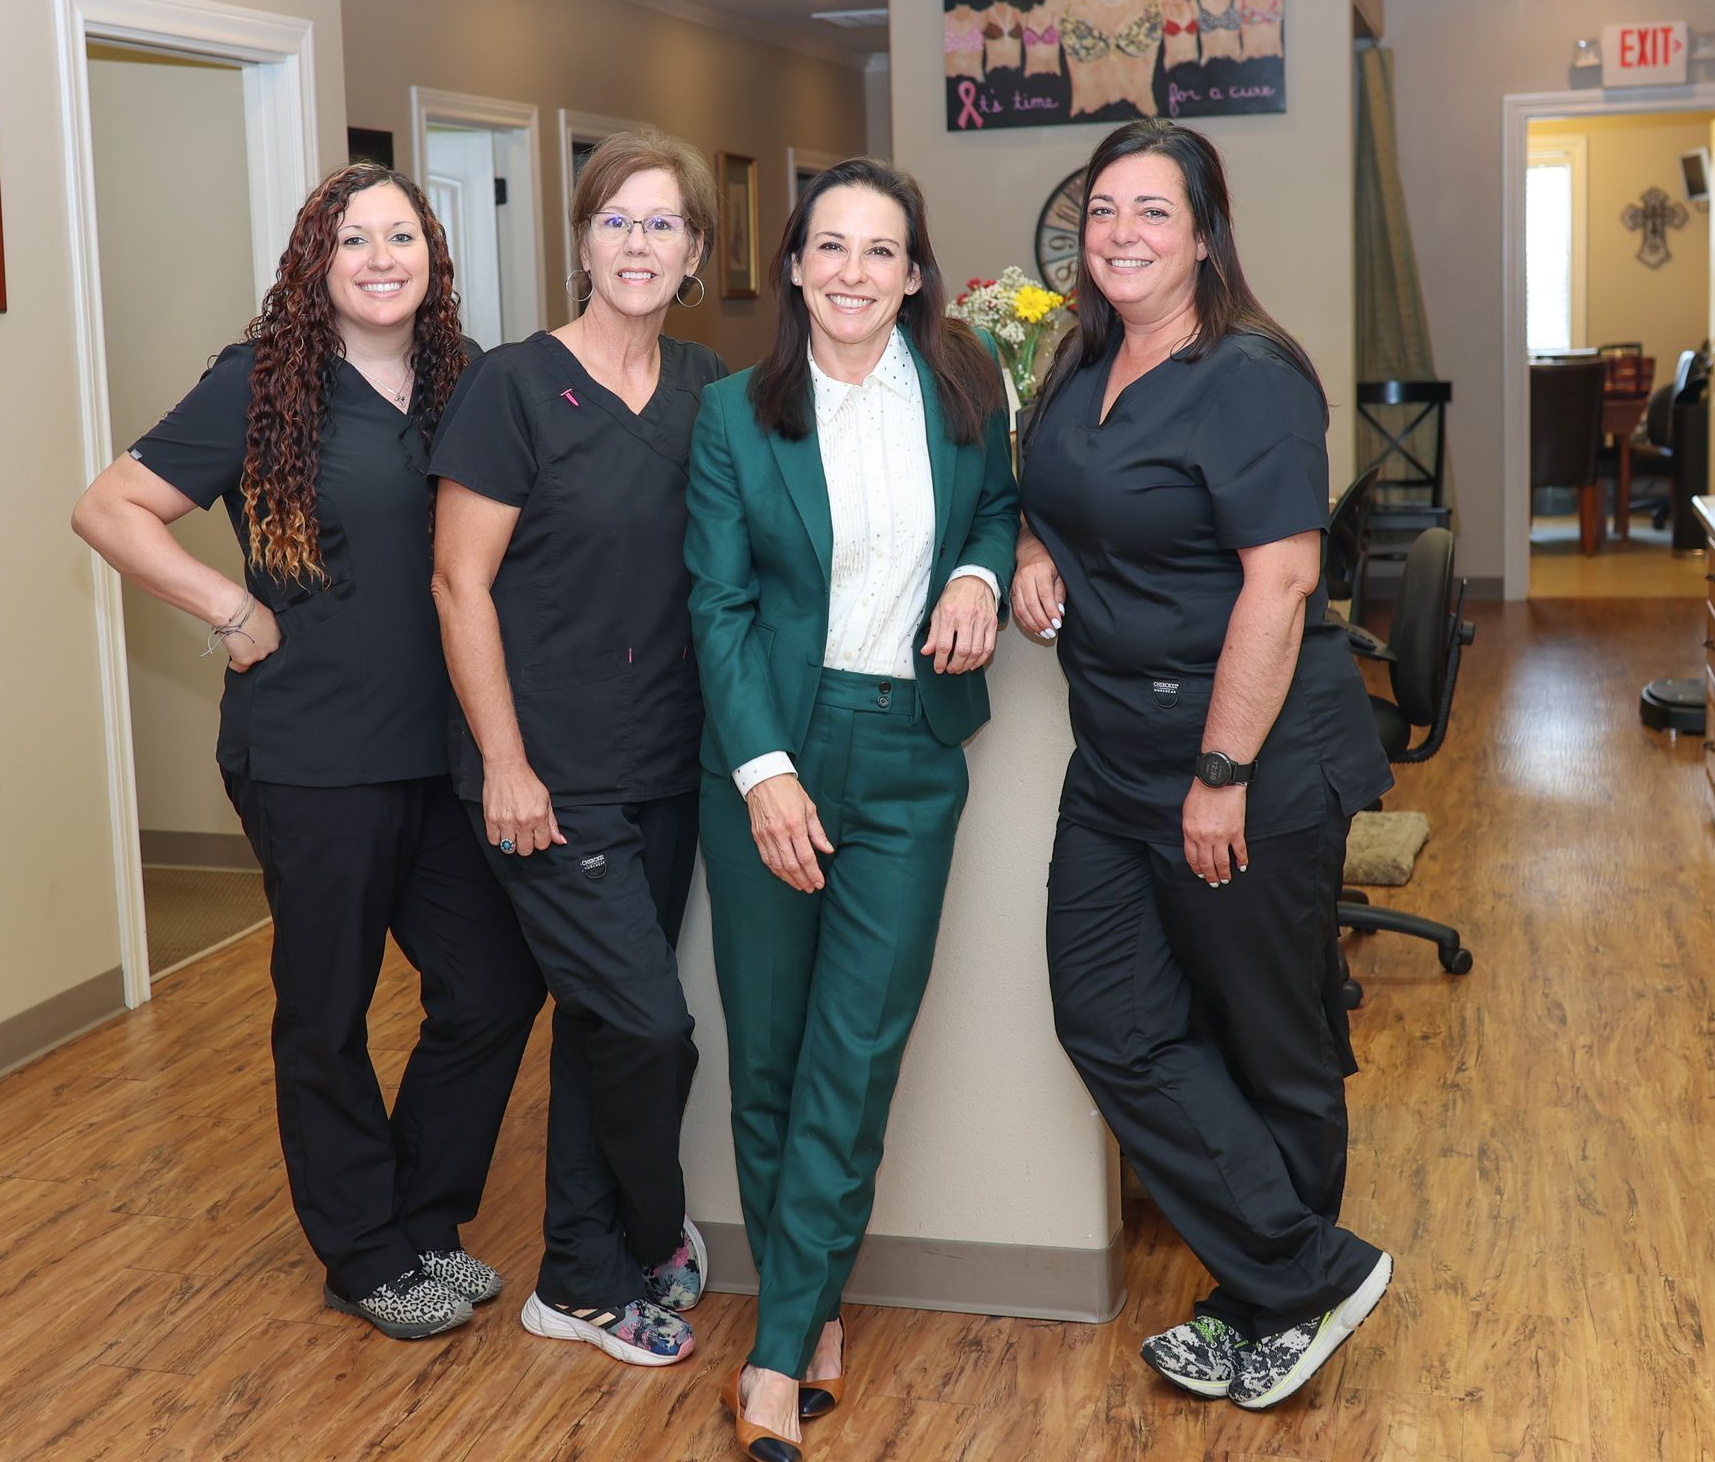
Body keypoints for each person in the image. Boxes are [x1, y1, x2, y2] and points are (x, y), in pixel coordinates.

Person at [71, 162, 547, 1340]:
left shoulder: (466, 379)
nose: (382, 257)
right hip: (313, 752)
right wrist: (228, 611)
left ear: (434, 253)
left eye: (402, 235)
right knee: (325, 1011)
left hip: (445, 750)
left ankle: (422, 1219)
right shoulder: (263, 381)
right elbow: (108, 507)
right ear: (315, 263)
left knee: (492, 985)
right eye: (354, 240)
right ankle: (364, 1253)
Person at [1013, 118, 1395, 1411]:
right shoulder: (1083, 359)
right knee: (1109, 1019)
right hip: (1113, 759)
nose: (1120, 234)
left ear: (1203, 233)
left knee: (1269, 1035)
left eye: (1152, 212)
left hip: (1252, 761)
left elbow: (1282, 582)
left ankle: (1266, 1300)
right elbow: (1059, 493)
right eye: (1103, 210)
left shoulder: (1248, 376)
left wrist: (1222, 770)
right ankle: (1305, 1273)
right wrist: (1029, 552)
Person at [686, 158, 1019, 1461]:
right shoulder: (732, 416)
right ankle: (808, 1315)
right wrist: (765, 774)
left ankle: (774, 1360)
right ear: (794, 265)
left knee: (855, 1057)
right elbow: (713, 607)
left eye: (881, 252)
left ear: (916, 273)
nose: (853, 274)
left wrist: (985, 572)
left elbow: (995, 506)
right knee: (768, 1056)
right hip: (773, 752)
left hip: (908, 753)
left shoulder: (965, 390)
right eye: (831, 247)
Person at [428, 130, 726, 1368]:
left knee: (609, 1023)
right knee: (654, 1028)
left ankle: (580, 1269)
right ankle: (639, 1235)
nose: (639, 244)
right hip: (548, 777)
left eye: (663, 224)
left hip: (670, 765)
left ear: (698, 252)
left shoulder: (711, 387)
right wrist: (504, 760)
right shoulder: (511, 386)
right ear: (580, 241)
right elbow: (458, 582)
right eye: (618, 221)